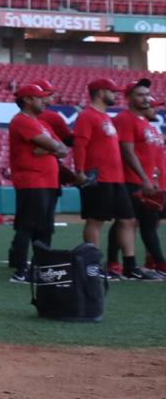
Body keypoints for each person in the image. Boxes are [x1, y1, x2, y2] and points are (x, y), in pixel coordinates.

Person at [6, 80, 69, 283]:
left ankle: (40, 267)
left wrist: (49, 148)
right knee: (28, 226)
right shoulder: (22, 120)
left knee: (44, 227)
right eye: (39, 98)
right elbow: (55, 146)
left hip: (47, 181)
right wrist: (52, 148)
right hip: (32, 180)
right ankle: (21, 270)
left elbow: (62, 149)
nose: (44, 102)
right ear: (27, 100)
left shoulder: (41, 123)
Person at [74, 77, 137, 277]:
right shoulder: (87, 116)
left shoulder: (106, 117)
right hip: (98, 178)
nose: (116, 95)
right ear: (101, 92)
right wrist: (80, 171)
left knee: (127, 220)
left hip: (116, 179)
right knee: (96, 220)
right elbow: (80, 145)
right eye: (113, 92)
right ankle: (92, 265)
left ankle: (130, 266)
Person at [125, 81, 166, 277]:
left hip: (153, 182)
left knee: (151, 222)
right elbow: (128, 152)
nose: (154, 108)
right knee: (128, 222)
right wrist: (146, 178)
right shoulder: (129, 120)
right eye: (153, 105)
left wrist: (155, 178)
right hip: (136, 181)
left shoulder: (152, 129)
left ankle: (152, 261)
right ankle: (121, 263)